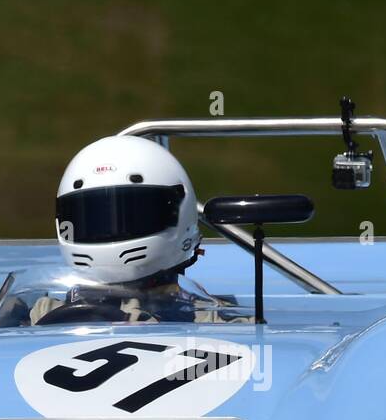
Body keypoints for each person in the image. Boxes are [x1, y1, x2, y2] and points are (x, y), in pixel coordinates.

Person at [28, 136, 242, 324]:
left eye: (132, 216)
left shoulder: (211, 320)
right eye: (93, 218)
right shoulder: (42, 311)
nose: (110, 232)